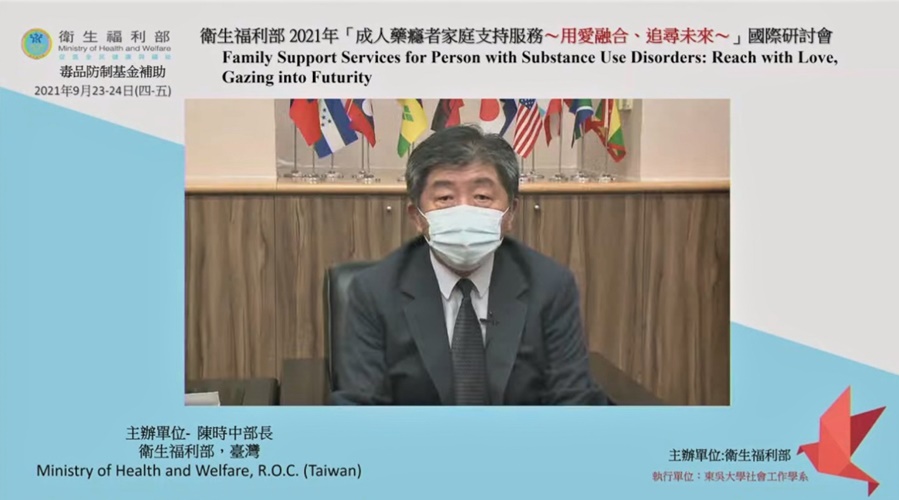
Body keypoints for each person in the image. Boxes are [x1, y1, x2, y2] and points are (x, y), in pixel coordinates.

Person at [331, 125, 608, 405]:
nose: (464, 210)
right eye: (445, 198)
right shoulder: (374, 292)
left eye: (482, 197)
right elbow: (359, 409)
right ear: (417, 217)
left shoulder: (550, 287)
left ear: (511, 213)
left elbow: (573, 401)